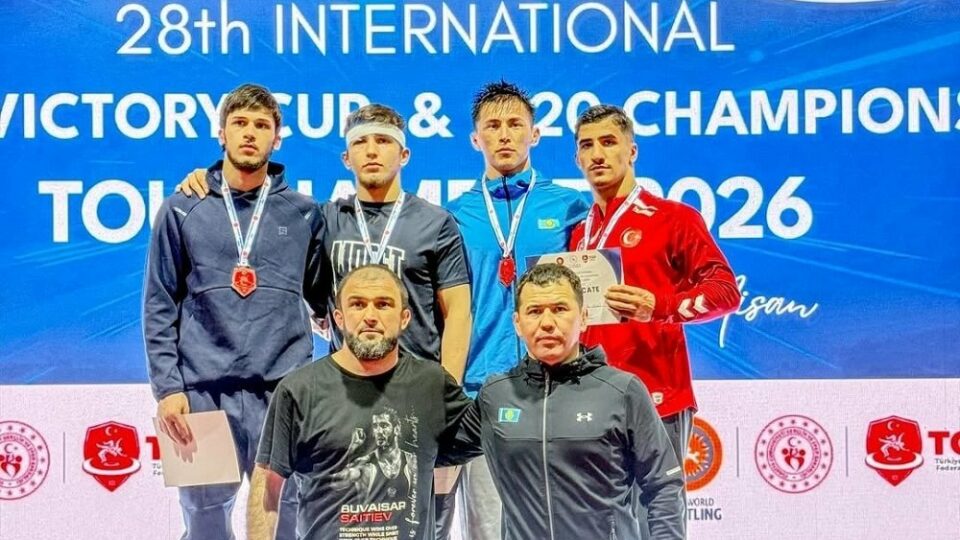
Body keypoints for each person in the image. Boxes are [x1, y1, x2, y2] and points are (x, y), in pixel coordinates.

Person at [176, 104, 473, 537]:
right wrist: (209, 178)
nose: (372, 151)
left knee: (425, 521)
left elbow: (458, 312)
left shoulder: (436, 222)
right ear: (346, 158)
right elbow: (303, 279)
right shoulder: (324, 219)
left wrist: (445, 394)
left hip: (416, 393)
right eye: (361, 143)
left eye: (384, 141)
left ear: (404, 155)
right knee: (347, 521)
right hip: (347, 400)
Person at [143, 83, 324, 540]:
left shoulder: (305, 214)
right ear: (221, 133)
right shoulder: (181, 209)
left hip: (284, 395)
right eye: (239, 123)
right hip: (202, 395)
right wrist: (168, 388)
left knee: (285, 520)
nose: (249, 133)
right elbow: (159, 303)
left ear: (277, 138)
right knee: (203, 522)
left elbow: (327, 304)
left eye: (261, 125)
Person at [569, 104, 741, 534]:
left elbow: (726, 293)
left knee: (658, 521)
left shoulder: (673, 218)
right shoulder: (577, 234)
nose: (597, 154)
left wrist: (659, 306)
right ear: (577, 158)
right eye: (587, 146)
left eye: (609, 142)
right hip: (591, 400)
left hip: (656, 396)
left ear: (632, 151)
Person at [444, 80, 590, 540]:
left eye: (514, 124)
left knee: (561, 523)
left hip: (556, 388)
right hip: (481, 389)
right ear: (476, 139)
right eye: (492, 126)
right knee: (487, 527)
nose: (504, 134)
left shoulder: (571, 207)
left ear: (535, 134)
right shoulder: (454, 216)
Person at [445, 263, 686, 540]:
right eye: (534, 311)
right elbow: (434, 448)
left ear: (583, 318)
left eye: (559, 309)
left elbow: (664, 486)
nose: (547, 322)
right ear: (517, 323)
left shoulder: (622, 391)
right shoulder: (496, 395)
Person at [248, 264, 474, 540]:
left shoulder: (431, 384)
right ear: (339, 318)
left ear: (404, 318)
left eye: (383, 304)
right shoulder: (299, 390)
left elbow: (490, 431)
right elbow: (266, 484)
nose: (370, 316)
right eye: (357, 304)